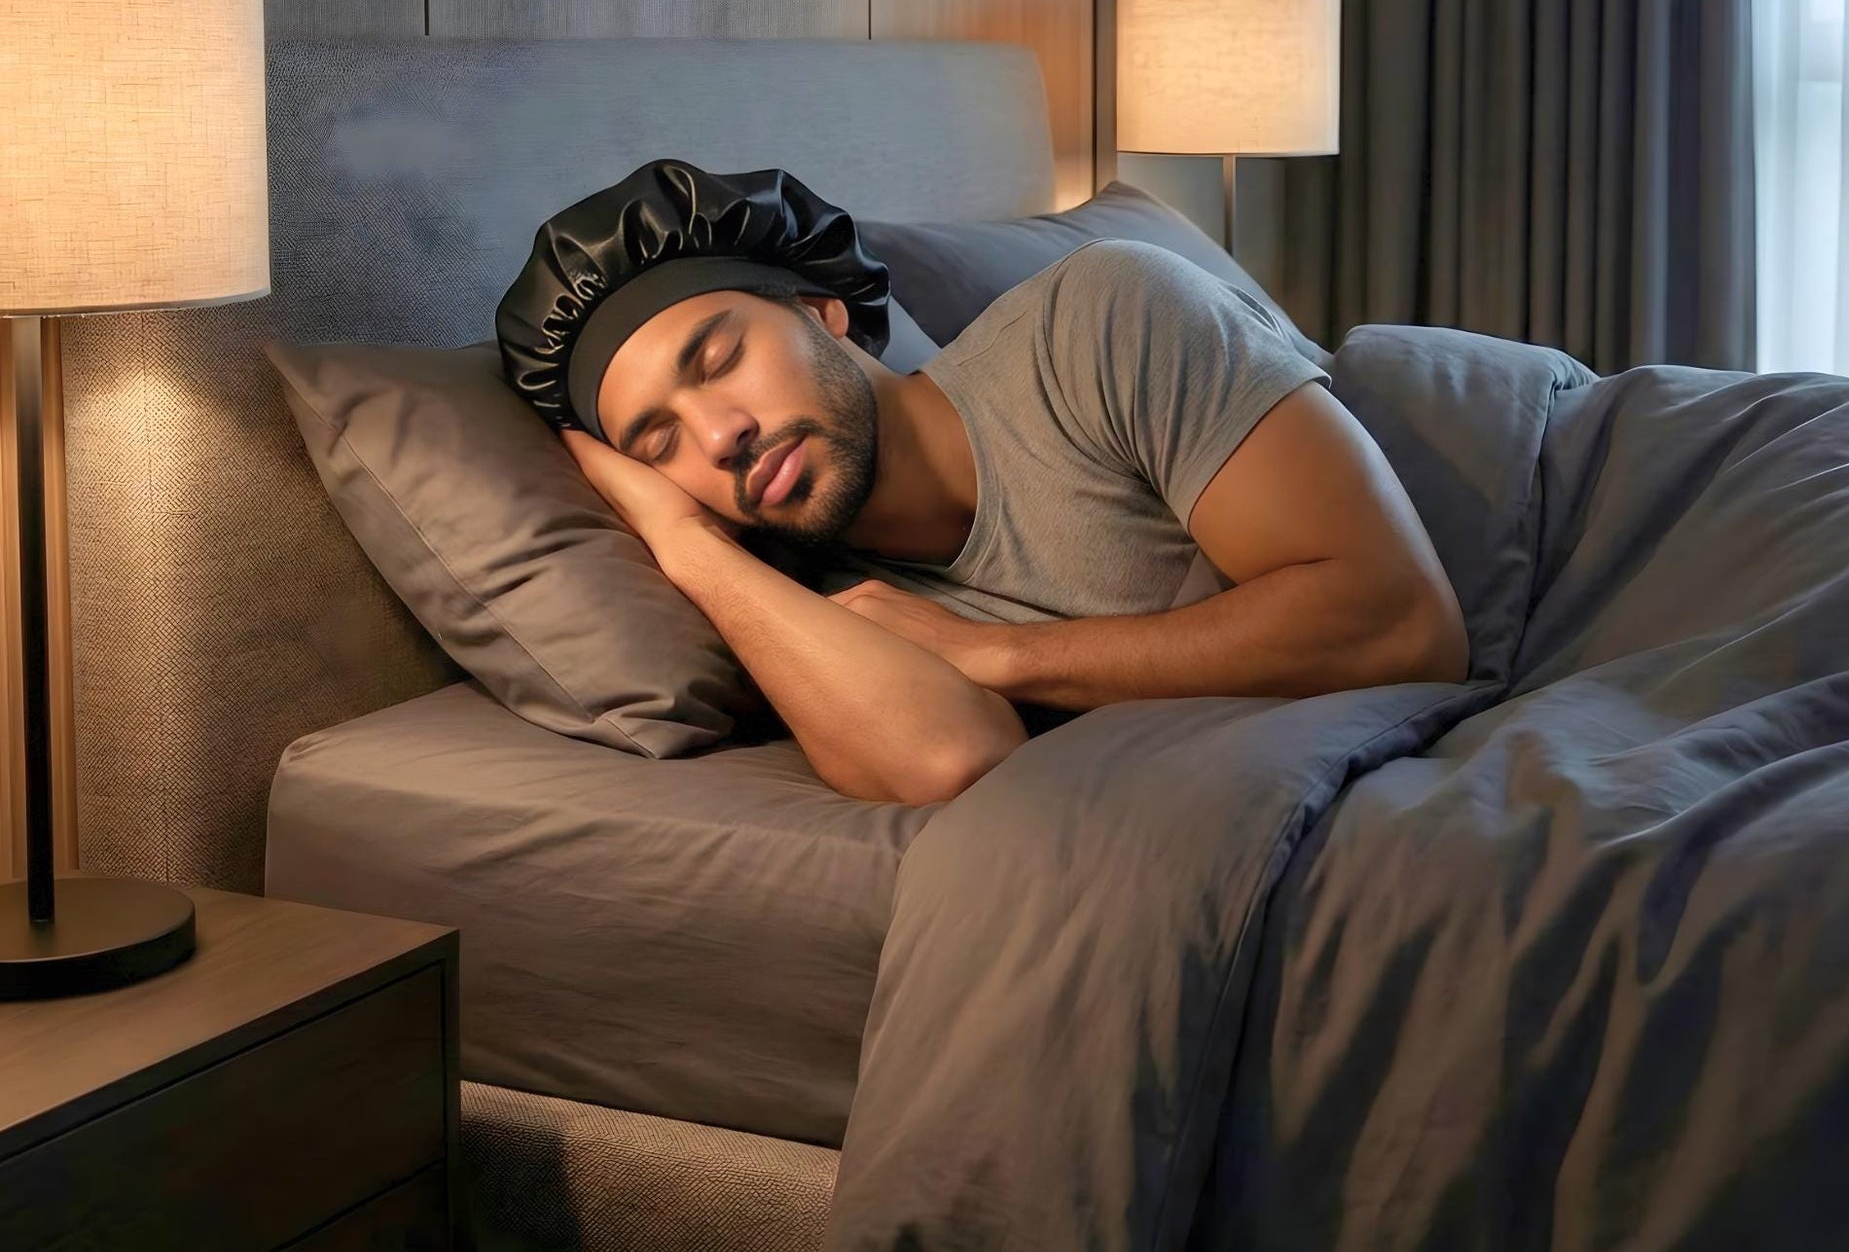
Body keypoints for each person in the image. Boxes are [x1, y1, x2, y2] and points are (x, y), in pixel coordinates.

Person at [497, 161, 1468, 806]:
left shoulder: (1102, 315)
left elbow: (1404, 623)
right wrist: (689, 548)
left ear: (823, 310)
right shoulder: (815, 607)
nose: (720, 435)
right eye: (658, 441)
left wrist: (998, 655)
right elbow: (947, 756)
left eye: (717, 356)